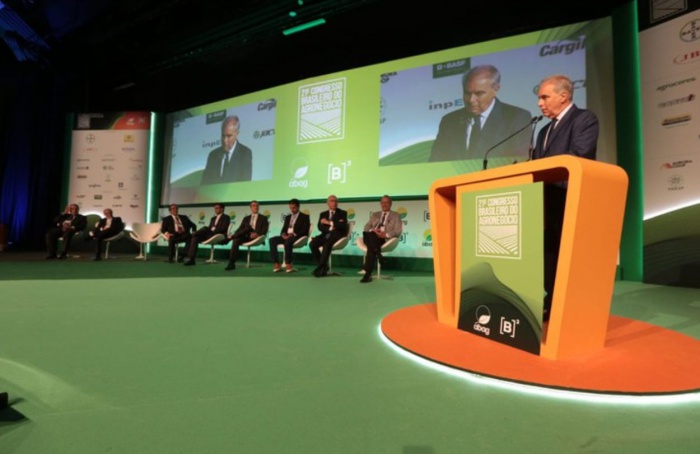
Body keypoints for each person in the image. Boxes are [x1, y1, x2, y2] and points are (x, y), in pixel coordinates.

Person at [533, 74, 599, 321]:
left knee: (569, 256)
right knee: (549, 255)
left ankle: (571, 305)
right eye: (539, 98)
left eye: (544, 97)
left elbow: (579, 155)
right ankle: (551, 301)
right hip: (547, 202)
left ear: (564, 96)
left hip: (570, 198)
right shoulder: (543, 130)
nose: (540, 103)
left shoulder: (584, 119)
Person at [429, 64, 532, 162]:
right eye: (467, 93)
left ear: (496, 89)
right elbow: (436, 160)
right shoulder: (449, 121)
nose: (471, 100)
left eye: (479, 93)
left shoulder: (517, 118)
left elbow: (520, 160)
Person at [359, 195, 403, 283]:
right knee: (368, 233)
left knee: (371, 247)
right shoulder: (375, 214)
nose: (384, 204)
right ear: (380, 204)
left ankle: (367, 274)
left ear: (391, 204)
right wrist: (374, 230)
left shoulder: (395, 215)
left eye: (387, 202)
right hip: (373, 237)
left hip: (383, 240)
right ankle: (379, 255)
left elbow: (397, 231)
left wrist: (385, 235)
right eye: (383, 202)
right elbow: (366, 227)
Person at [201, 115, 252, 185]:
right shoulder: (213, 155)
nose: (225, 141)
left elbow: (245, 185)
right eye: (223, 136)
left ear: (237, 133)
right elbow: (204, 183)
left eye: (229, 136)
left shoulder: (245, 153)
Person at [309, 194, 349, 277]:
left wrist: (328, 222)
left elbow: (342, 226)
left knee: (327, 244)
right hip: (325, 234)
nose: (334, 203)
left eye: (336, 201)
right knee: (312, 244)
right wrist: (331, 228)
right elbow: (320, 227)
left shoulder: (342, 213)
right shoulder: (323, 214)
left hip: (337, 235)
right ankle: (324, 266)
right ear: (327, 203)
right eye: (332, 201)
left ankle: (320, 268)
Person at [269, 198, 311, 273]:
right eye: (290, 208)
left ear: (298, 207)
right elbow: (284, 229)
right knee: (272, 240)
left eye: (294, 208)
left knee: (288, 242)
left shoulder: (305, 217)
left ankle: (288, 264)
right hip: (287, 236)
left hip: (297, 236)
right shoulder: (288, 217)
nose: (292, 209)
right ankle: (276, 263)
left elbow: (304, 230)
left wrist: (293, 234)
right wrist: (283, 234)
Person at [225, 200, 269, 271]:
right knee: (236, 240)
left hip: (256, 237)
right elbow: (240, 229)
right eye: (254, 206)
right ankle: (232, 263)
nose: (256, 207)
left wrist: (257, 235)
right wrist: (235, 234)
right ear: (251, 208)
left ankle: (230, 239)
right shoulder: (246, 218)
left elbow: (265, 230)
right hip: (246, 236)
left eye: (257, 206)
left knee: (248, 227)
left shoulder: (263, 218)